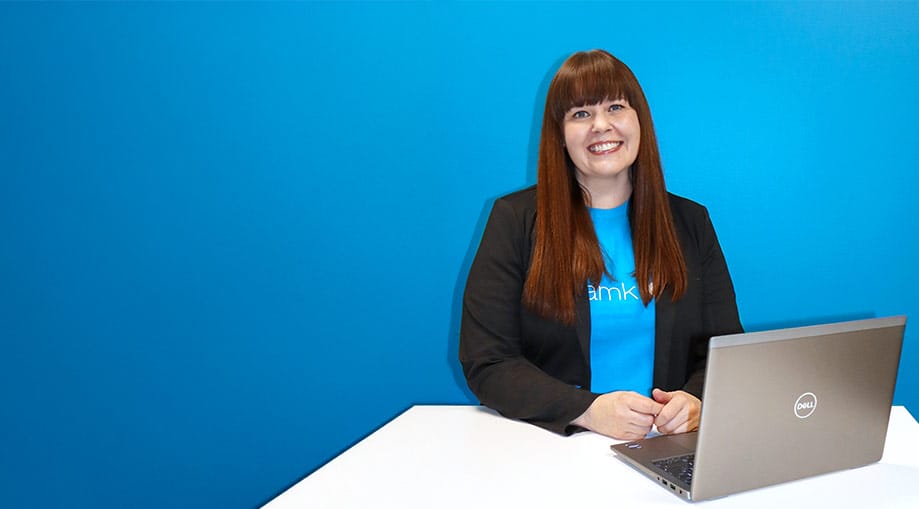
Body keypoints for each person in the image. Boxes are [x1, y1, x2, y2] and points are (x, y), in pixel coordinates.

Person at [459, 49, 742, 441]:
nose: (601, 126)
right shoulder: (515, 221)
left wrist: (696, 400)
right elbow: (487, 362)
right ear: (558, 133)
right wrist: (588, 410)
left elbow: (725, 351)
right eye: (580, 114)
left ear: (639, 120)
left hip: (665, 444)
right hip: (555, 443)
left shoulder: (691, 223)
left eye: (615, 107)